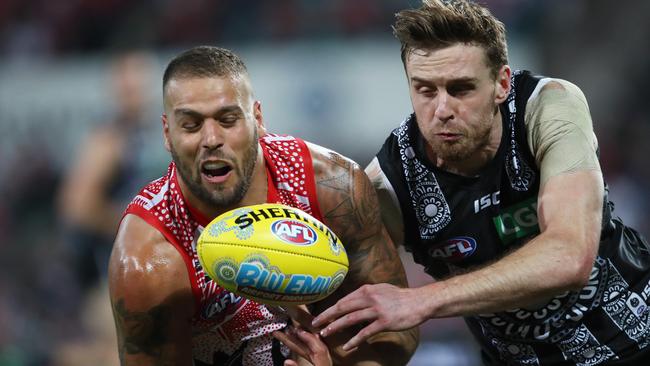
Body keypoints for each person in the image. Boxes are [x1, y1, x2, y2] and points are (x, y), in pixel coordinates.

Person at [312, 1, 650, 365]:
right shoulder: (388, 186)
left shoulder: (547, 107)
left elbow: (570, 256)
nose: (442, 109)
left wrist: (420, 300)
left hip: (638, 342)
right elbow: (334, 291)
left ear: (501, 84)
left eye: (460, 89)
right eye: (425, 90)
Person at [107, 45, 418, 366]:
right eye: (191, 124)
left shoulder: (331, 186)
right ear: (167, 133)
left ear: (257, 119)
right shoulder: (149, 259)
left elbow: (396, 334)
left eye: (228, 120)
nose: (211, 138)